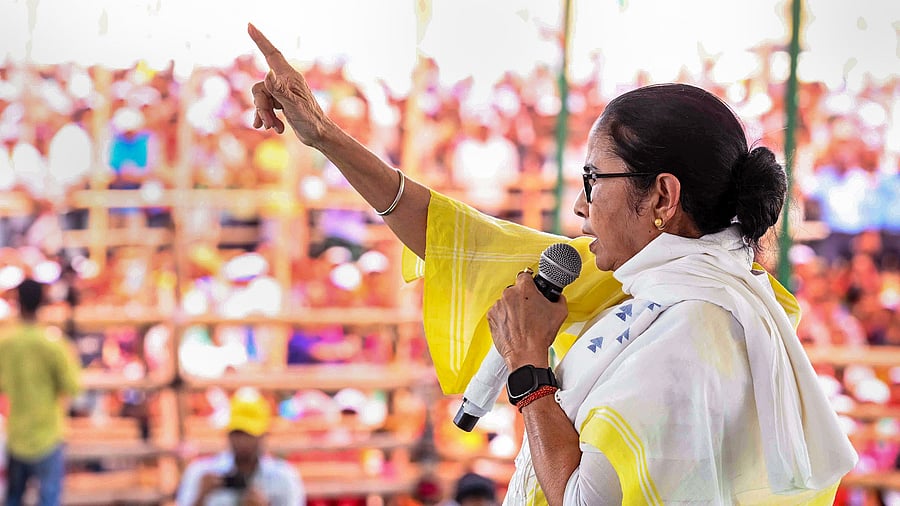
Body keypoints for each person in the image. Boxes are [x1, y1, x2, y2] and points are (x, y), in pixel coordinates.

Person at [245, 24, 858, 505]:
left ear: (663, 199)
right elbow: (456, 239)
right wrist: (323, 135)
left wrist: (529, 372)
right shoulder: (661, 282)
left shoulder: (694, 328)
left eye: (593, 178)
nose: (579, 204)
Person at [0, 278, 82, 506]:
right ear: (42, 304)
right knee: (49, 498)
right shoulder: (53, 345)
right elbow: (73, 386)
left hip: (16, 432)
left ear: (18, 303)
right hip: (48, 433)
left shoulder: (5, 342)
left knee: (14, 497)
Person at [176, 388, 306, 506]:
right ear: (228, 434)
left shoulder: (284, 478)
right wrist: (201, 497)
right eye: (237, 433)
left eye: (249, 434)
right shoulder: (200, 473)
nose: (242, 441)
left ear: (263, 436)